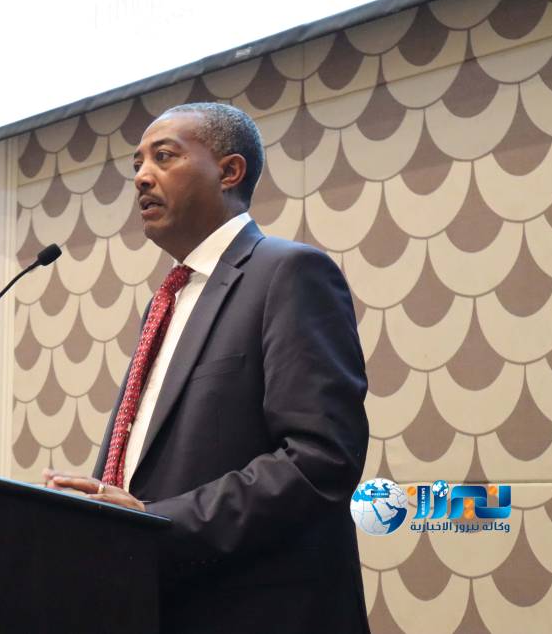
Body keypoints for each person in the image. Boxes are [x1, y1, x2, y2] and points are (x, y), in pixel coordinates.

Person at [44, 102, 370, 633]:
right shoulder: (168, 300)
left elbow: (320, 460)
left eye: (164, 156)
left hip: (256, 613)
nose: (141, 176)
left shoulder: (288, 272)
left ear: (229, 171)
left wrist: (154, 523)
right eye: (137, 164)